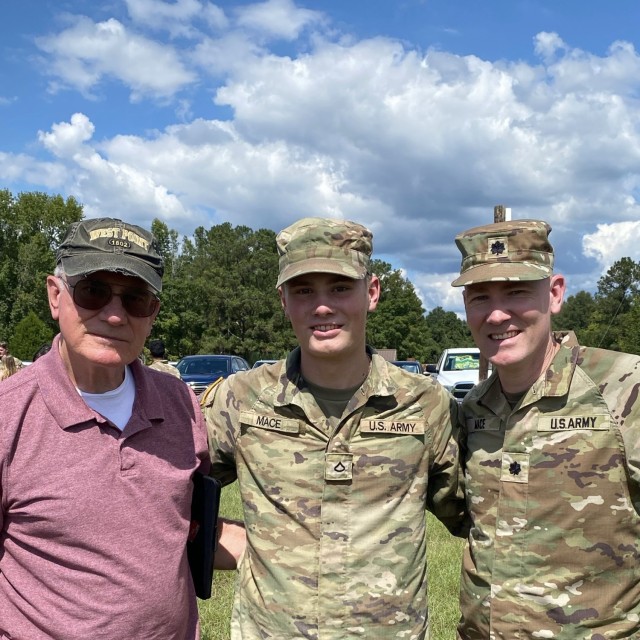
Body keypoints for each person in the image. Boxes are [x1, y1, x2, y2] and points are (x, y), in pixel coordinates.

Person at [202, 216, 467, 639]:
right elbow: (168, 498)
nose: (322, 306)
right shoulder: (241, 399)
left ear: (372, 292)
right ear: (284, 300)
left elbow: (475, 516)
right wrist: (240, 544)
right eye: (304, 290)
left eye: (340, 287)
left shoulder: (424, 403)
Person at [0, 217, 243, 640]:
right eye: (93, 291)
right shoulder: (9, 416)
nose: (114, 316)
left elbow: (183, 526)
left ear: (153, 314)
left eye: (135, 299)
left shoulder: (180, 403)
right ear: (55, 296)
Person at [451, 219, 640, 639]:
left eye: (516, 291)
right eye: (480, 296)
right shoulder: (474, 409)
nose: (497, 314)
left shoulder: (623, 387)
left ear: (554, 293)